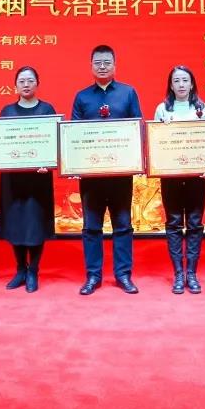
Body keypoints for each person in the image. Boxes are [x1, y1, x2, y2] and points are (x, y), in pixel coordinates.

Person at [71, 44, 143, 296]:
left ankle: (123, 275)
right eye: (98, 62)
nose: (102, 67)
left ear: (115, 65)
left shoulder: (128, 93)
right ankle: (93, 276)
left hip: (120, 174)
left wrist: (137, 161)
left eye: (107, 62)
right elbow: (74, 135)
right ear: (91, 66)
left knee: (123, 225)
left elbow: (137, 128)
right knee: (91, 227)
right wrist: (74, 163)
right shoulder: (82, 97)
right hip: (91, 177)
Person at [0, 66, 57, 293]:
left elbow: (54, 142)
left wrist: (49, 160)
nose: (26, 84)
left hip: (38, 179)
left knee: (35, 225)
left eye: (30, 80)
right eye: (22, 81)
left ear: (37, 83)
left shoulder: (47, 110)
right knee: (15, 224)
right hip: (12, 179)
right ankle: (21, 268)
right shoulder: (7, 111)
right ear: (15, 86)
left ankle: (34, 270)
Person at [153, 65, 205, 294]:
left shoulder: (202, 108)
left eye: (185, 80)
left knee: (195, 223)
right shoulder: (162, 109)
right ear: (170, 85)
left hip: (198, 177)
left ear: (192, 83)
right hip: (171, 176)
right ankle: (178, 273)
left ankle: (192, 274)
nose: (181, 84)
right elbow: (156, 143)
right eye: (176, 80)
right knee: (174, 223)